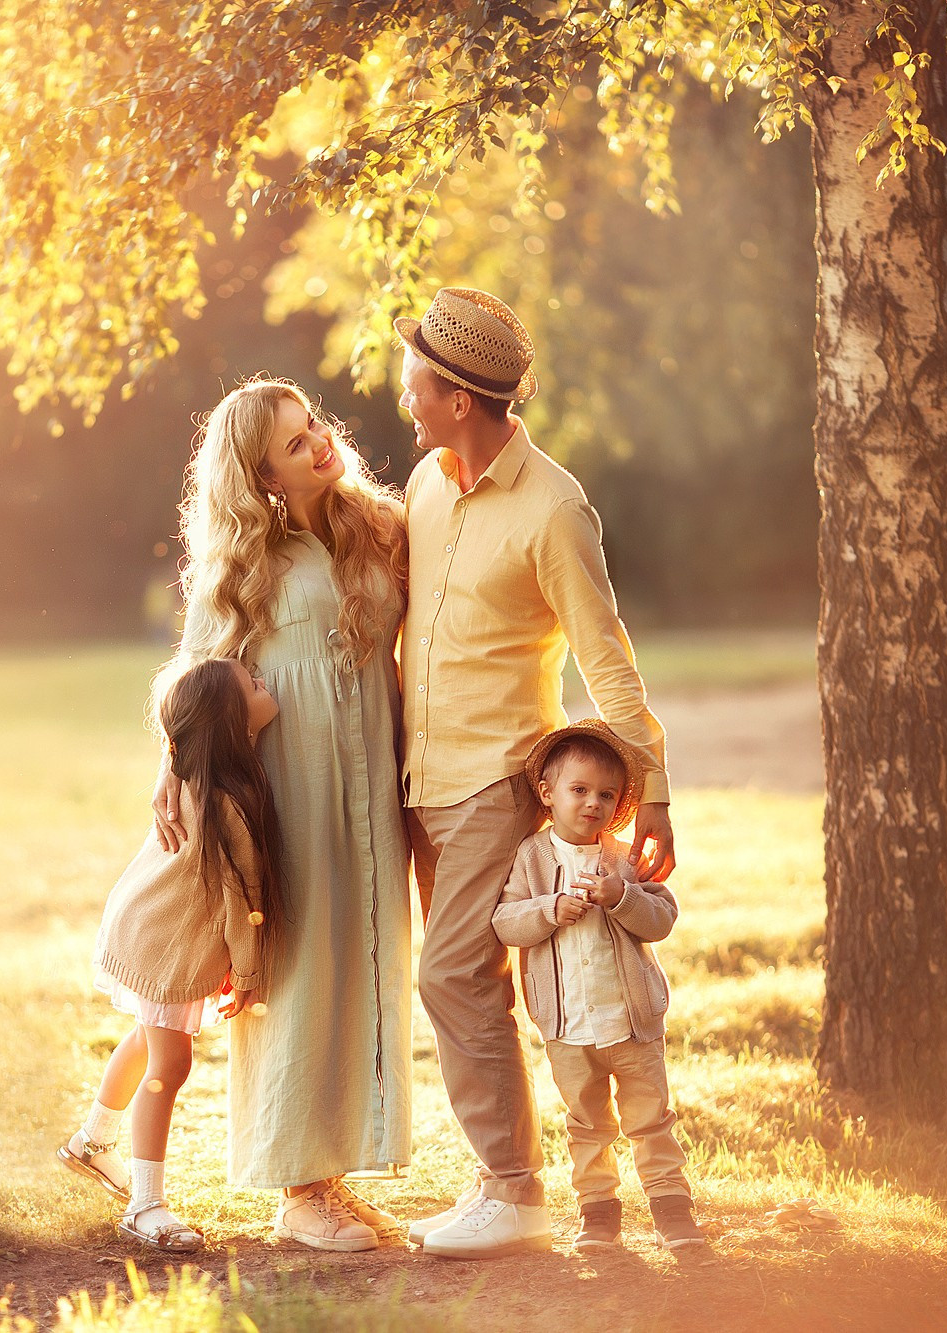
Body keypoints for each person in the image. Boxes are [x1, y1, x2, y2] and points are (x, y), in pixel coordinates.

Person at [394, 288, 677, 1259]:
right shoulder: (424, 484)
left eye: (415, 378)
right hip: (420, 781)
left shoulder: (554, 507)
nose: (404, 391)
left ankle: (513, 1193)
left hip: (494, 778)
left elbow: (606, 660)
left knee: (449, 974)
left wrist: (653, 790)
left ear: (457, 399)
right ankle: (500, 1181)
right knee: (468, 980)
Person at [149, 378, 414, 1251]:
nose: (320, 444)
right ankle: (300, 1192)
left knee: (364, 954)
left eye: (314, 427)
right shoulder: (242, 567)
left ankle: (334, 1174)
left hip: (371, 775)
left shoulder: (377, 525)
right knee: (300, 966)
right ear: (261, 475)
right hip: (290, 779)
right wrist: (170, 772)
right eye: (294, 443)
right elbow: (193, 684)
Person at [60, 657, 284, 1253]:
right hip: (166, 946)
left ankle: (93, 1140)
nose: (265, 681)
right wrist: (250, 971)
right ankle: (145, 1205)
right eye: (253, 683)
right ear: (232, 720)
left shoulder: (196, 779)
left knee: (146, 1039)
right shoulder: (226, 801)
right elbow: (242, 897)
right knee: (171, 1065)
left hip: (146, 927)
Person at [491, 721, 709, 1258]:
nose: (593, 803)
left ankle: (672, 1210)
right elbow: (505, 922)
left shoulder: (623, 860)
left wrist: (621, 897)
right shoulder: (531, 858)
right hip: (567, 1028)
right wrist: (549, 909)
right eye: (580, 790)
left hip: (631, 1022)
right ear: (548, 793)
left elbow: (661, 917)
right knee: (587, 1124)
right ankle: (599, 1215)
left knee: (650, 1120)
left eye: (607, 795)